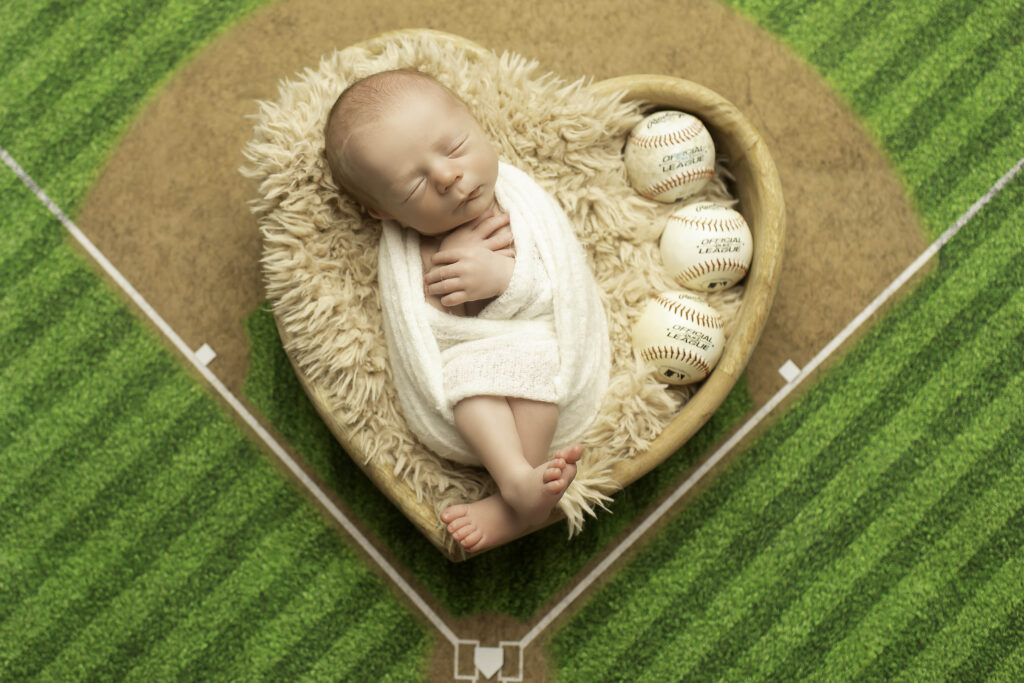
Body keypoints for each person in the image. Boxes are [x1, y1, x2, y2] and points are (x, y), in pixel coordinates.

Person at [324, 69, 592, 553]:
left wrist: (504, 279)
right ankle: (517, 482)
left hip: (535, 340)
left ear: (475, 121)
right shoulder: (411, 248)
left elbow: (561, 286)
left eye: (454, 148)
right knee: (470, 381)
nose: (448, 177)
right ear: (386, 212)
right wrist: (454, 285)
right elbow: (425, 325)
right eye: (412, 188)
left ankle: (520, 493)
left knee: (538, 374)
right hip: (469, 366)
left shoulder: (518, 204)